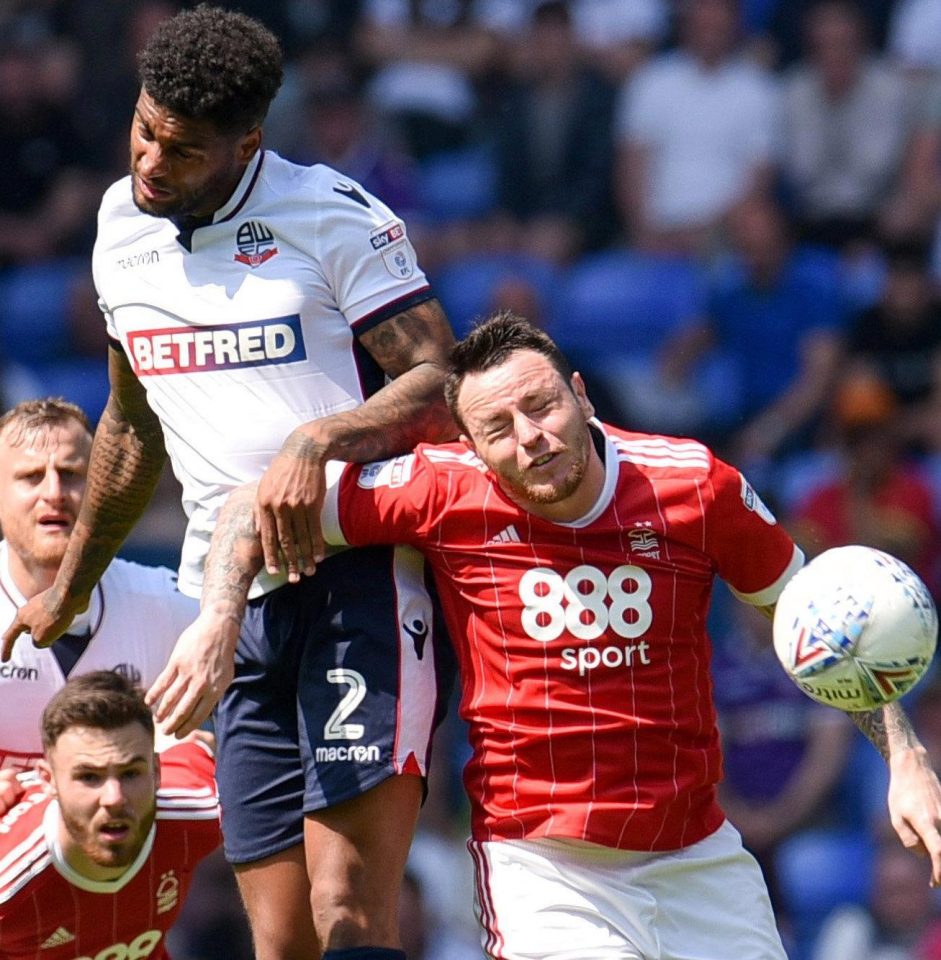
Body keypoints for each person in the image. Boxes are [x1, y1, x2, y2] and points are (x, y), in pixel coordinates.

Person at [157, 312, 941, 959]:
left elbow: (819, 621)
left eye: (541, 407)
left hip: (697, 855)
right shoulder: (439, 489)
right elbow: (248, 509)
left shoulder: (694, 486)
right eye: (496, 427)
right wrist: (219, 618)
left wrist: (903, 758)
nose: (529, 436)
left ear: (580, 394)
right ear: (468, 446)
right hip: (545, 868)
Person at [1, 7, 458, 960]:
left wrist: (319, 438)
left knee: (349, 911)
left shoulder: (331, 214)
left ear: (248, 142)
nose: (153, 164)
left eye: (185, 150)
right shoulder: (121, 226)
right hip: (227, 603)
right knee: (281, 938)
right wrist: (73, 584)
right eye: (144, 129)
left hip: (357, 581)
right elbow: (132, 424)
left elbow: (440, 381)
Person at [0, 398, 197, 773]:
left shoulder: (165, 603)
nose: (54, 493)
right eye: (31, 476)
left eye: (71, 474)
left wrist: (192, 750)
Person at [0, 669, 221, 959]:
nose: (114, 798)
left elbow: (200, 744)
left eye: (130, 773)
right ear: (48, 780)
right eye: (89, 777)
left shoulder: (200, 809)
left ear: (157, 771)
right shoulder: (10, 883)